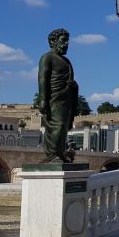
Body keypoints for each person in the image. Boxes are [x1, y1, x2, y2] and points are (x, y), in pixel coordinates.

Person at [36, 29, 79, 163]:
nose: (66, 44)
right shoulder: (47, 58)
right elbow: (42, 78)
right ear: (53, 41)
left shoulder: (66, 61)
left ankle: (60, 154)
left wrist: (73, 85)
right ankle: (53, 155)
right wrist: (42, 99)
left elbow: (71, 80)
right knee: (57, 125)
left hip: (66, 99)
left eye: (67, 41)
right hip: (53, 98)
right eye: (63, 40)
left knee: (64, 127)